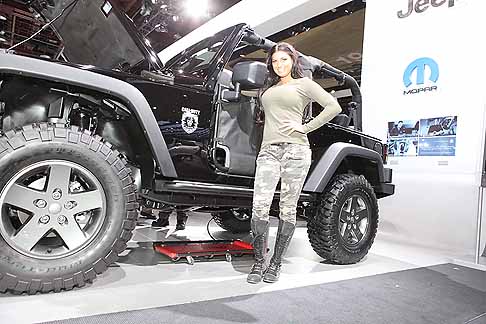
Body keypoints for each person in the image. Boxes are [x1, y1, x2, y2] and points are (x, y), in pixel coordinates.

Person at [247, 42, 342, 284]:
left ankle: (276, 264)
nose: (279, 64)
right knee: (259, 206)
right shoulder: (267, 89)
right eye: (275, 61)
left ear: (293, 61)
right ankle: (259, 262)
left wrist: (305, 127)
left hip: (296, 150)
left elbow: (333, 106)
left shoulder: (303, 84)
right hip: (268, 151)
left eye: (284, 60)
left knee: (287, 209)